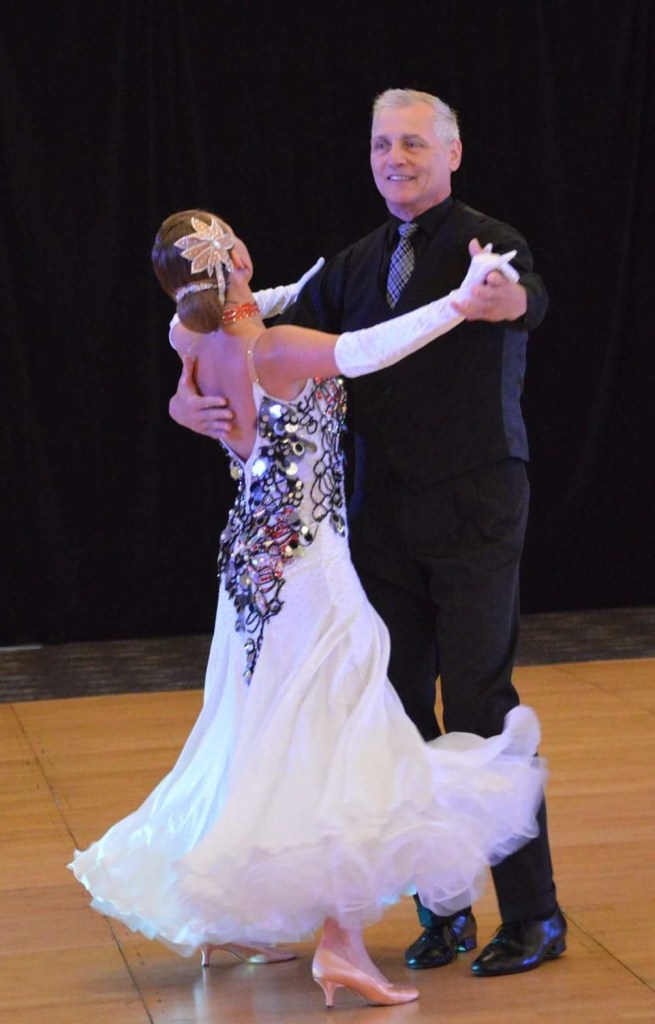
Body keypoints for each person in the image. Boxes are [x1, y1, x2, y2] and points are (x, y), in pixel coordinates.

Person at [69, 208, 548, 1010]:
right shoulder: (277, 347)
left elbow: (220, 312)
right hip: (306, 572)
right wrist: (461, 301)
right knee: (339, 746)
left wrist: (182, 399)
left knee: (261, 736)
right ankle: (340, 940)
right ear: (239, 256)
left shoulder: (190, 340)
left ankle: (236, 910)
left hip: (245, 573)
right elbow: (365, 350)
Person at [167, 88, 566, 978]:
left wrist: (494, 297)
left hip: (472, 505)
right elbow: (239, 310)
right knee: (391, 713)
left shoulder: (488, 241)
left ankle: (533, 915)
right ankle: (446, 909)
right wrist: (185, 385)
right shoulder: (352, 260)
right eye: (383, 144)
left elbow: (520, 300)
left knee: (478, 702)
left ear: (451, 153)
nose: (395, 158)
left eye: (414, 144)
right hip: (375, 514)